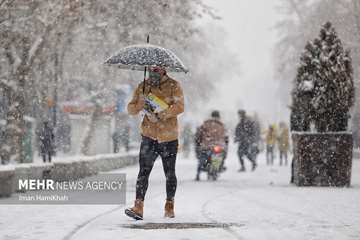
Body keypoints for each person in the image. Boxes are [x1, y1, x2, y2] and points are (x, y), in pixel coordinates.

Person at [125, 66, 184, 220]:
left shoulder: (174, 85)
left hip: (168, 137)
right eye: (151, 70)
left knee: (170, 173)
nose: (153, 73)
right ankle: (138, 206)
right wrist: (140, 104)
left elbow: (180, 106)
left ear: (164, 70)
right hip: (149, 136)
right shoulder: (143, 86)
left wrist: (161, 114)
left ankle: (169, 204)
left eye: (157, 70)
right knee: (143, 172)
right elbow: (130, 109)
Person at [194, 110, 228, 181]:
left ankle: (198, 172)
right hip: (219, 146)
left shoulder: (205, 124)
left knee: (202, 157)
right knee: (220, 156)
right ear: (219, 116)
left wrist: (198, 143)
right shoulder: (222, 125)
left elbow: (198, 135)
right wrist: (224, 145)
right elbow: (226, 137)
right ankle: (217, 168)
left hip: (206, 145)